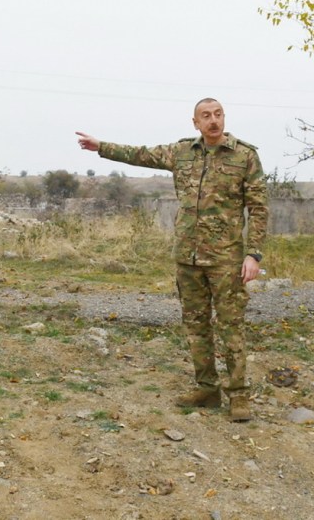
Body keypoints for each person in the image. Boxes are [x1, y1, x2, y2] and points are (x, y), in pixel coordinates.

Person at [76, 98, 268, 422]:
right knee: (196, 325)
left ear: (224, 117)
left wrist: (253, 254)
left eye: (218, 114)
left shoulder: (244, 156)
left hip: (225, 258)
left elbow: (259, 208)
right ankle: (207, 388)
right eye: (205, 116)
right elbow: (141, 154)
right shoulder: (181, 152)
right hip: (188, 257)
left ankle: (238, 395)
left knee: (231, 326)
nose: (213, 120)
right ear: (195, 122)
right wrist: (101, 147)